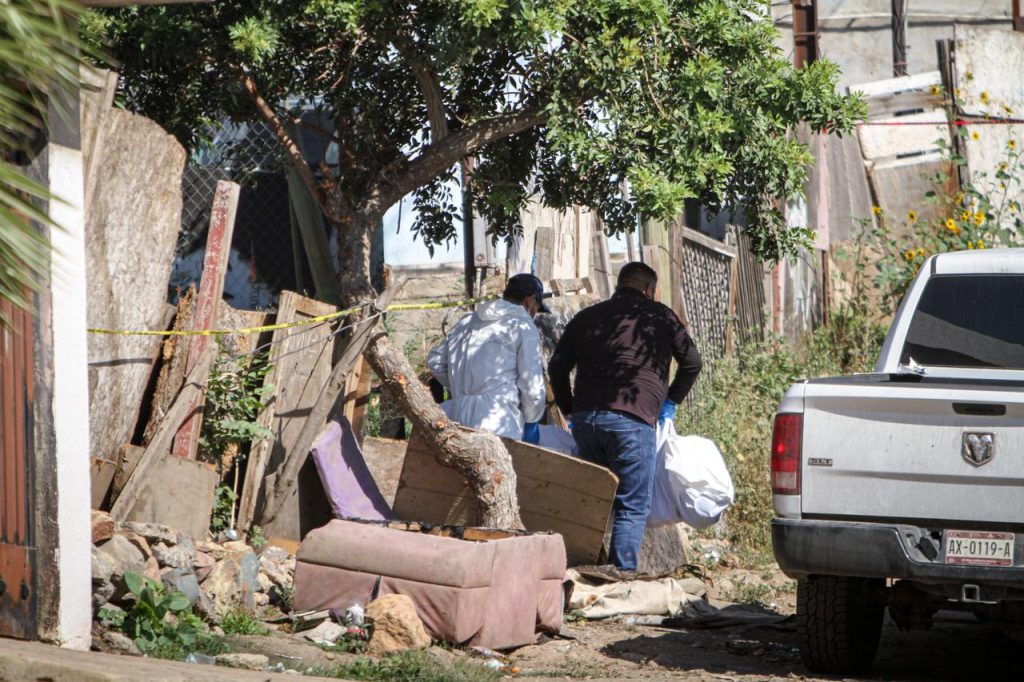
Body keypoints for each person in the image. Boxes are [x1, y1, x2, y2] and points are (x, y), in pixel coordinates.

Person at [548, 261, 702, 573]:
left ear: (619, 285)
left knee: (595, 498)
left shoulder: (588, 317)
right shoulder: (661, 316)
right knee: (632, 504)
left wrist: (569, 409)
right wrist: (670, 401)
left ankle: (581, 569)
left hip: (587, 420)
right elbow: (692, 362)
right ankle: (622, 577)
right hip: (633, 420)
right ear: (649, 289)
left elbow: (556, 367)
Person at [427, 273, 548, 441]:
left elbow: (436, 360)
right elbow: (532, 386)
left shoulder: (466, 322)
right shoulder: (523, 326)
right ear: (530, 301)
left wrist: (460, 385)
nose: (535, 313)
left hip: (458, 416)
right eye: (537, 307)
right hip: (498, 419)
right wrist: (531, 421)